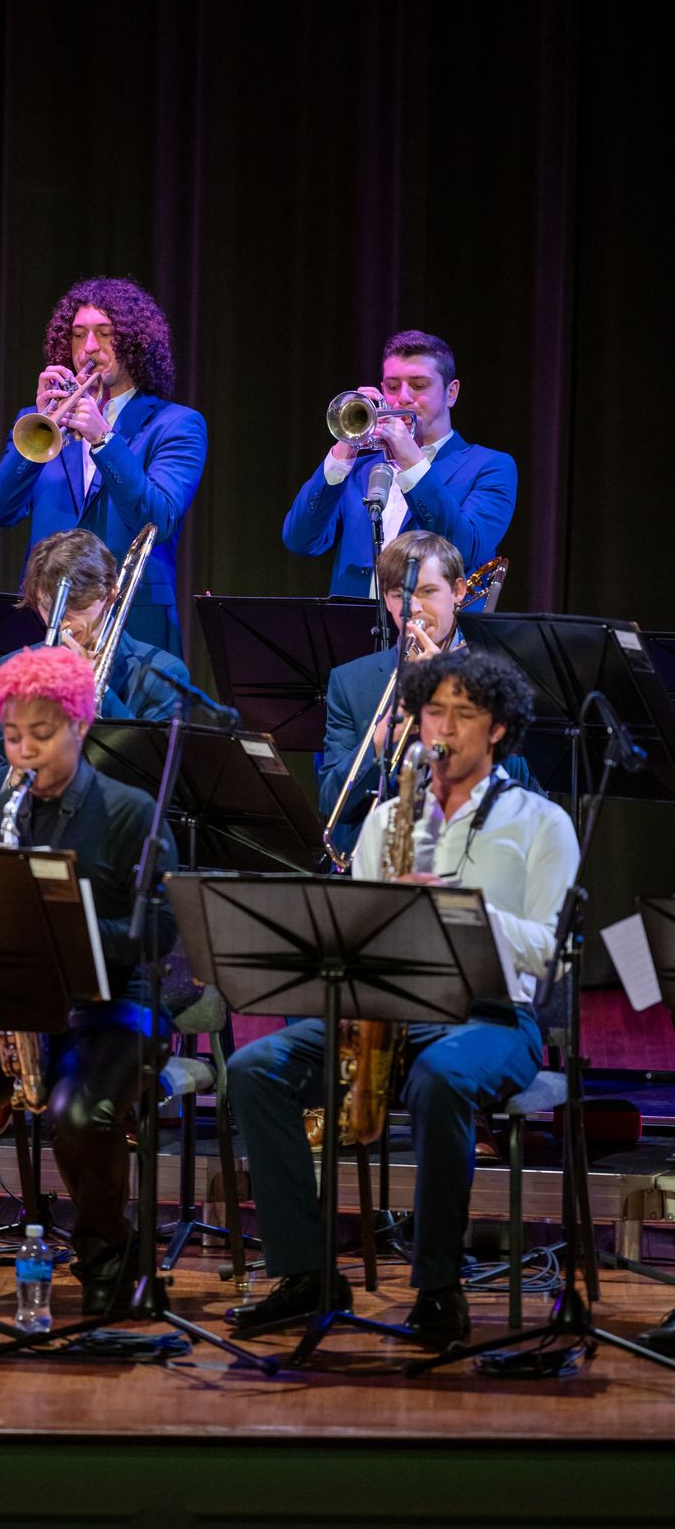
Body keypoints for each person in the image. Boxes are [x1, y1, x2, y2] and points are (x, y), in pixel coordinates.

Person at [227, 649, 579, 1348]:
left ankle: (438, 1287)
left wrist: (460, 912)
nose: (441, 728)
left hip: (494, 1017)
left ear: (498, 729)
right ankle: (305, 1273)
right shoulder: (388, 819)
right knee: (253, 1069)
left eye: (462, 714)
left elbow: (552, 953)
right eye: (431, 712)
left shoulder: (541, 823)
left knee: (440, 1077)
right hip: (385, 1010)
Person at [0, 646, 178, 1315]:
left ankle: (110, 1262)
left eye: (41, 735)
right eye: (11, 736)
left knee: (78, 1113)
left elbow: (158, 935)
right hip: (20, 1007)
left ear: (79, 725)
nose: (23, 752)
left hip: (115, 1007)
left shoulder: (130, 812)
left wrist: (64, 927)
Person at [0, 277, 207, 658]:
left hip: (134, 628)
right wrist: (38, 434)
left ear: (134, 343)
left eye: (105, 334)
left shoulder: (176, 424)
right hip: (46, 625)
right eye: (78, 334)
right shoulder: (40, 421)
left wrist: (104, 440)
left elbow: (158, 520)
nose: (88, 348)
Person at [318, 529, 532, 862]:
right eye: (399, 595)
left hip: (476, 855)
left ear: (458, 591)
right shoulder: (351, 681)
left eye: (427, 591)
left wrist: (450, 689)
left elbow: (523, 780)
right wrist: (379, 741)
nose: (413, 608)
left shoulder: (498, 673)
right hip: (379, 863)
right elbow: (332, 804)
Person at [283, 330, 516, 595]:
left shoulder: (491, 466)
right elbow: (301, 541)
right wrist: (344, 449)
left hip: (432, 621)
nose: (403, 397)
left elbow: (464, 551)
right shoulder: (359, 470)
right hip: (353, 621)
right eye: (392, 387)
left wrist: (411, 463)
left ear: (451, 393)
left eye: (419, 385)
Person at [0, 528, 189, 797]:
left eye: (74, 608)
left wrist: (97, 691)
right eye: (47, 608)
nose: (61, 623)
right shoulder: (13, 668)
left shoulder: (163, 674)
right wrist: (16, 777)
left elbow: (154, 783)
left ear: (110, 595)